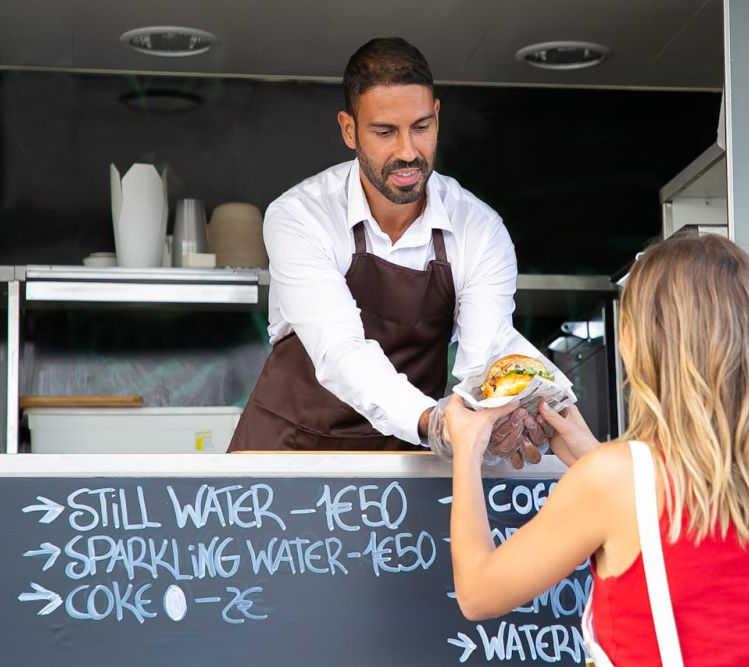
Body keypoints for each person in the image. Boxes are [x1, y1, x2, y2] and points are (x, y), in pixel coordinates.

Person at [444, 234, 749, 666]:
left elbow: (478, 594)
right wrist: (592, 452)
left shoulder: (612, 481)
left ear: (645, 343)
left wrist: (466, 448)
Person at [228, 37, 548, 463]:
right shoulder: (299, 215)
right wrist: (431, 422)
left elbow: (483, 358)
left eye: (421, 127)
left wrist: (497, 418)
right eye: (385, 132)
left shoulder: (480, 229)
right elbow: (340, 350)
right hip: (287, 454)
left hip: (403, 462)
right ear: (348, 129)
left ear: (437, 117)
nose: (407, 152)